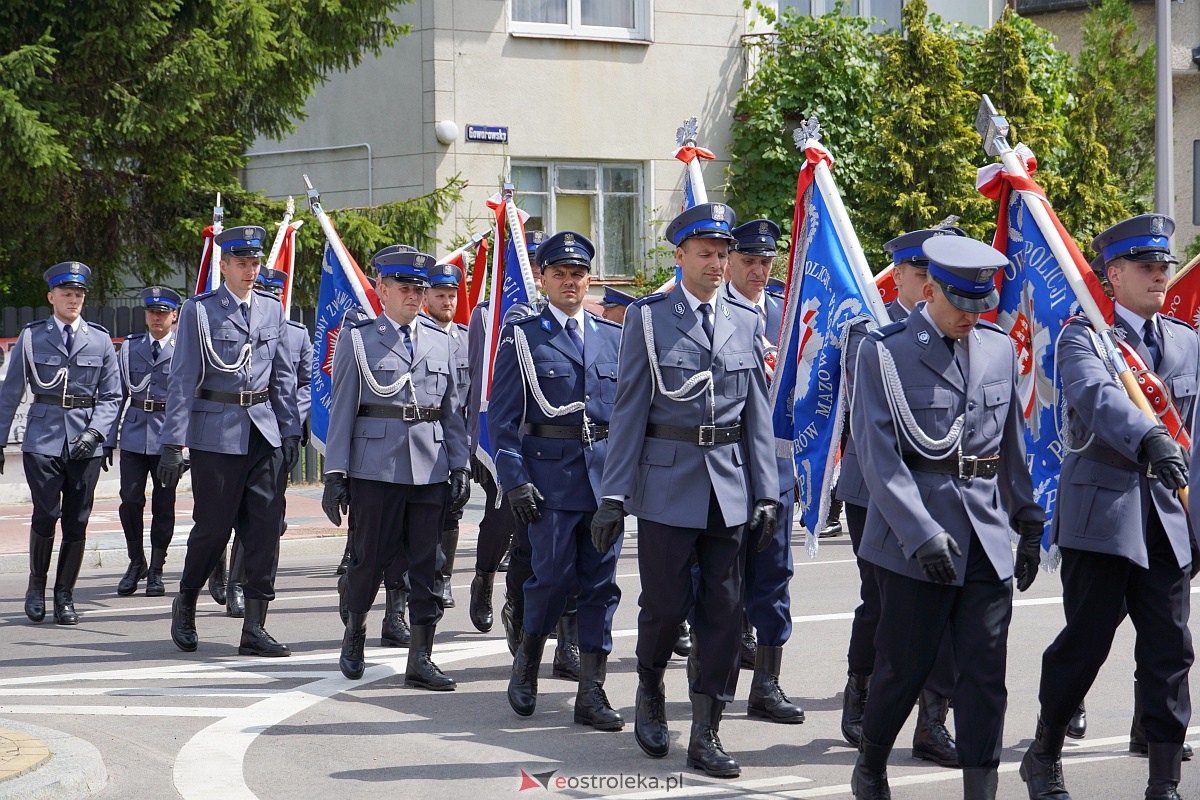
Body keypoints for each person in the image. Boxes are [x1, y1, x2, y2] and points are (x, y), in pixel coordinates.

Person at [849, 235, 1045, 800]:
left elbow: (1009, 445)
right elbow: (879, 457)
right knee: (903, 668)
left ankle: (981, 788)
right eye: (961, 303)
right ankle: (871, 766)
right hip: (915, 539)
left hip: (985, 536)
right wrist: (920, 533)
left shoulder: (997, 348)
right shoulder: (884, 352)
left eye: (981, 304)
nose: (971, 315)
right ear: (930, 290)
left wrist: (1027, 517)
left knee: (984, 676)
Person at [591, 202, 778, 778]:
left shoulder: (745, 319)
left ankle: (706, 727)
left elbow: (757, 414)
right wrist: (613, 496)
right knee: (666, 606)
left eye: (723, 254)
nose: (717, 264)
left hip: (729, 485)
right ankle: (650, 687)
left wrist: (766, 492)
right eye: (705, 254)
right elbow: (629, 410)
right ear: (680, 256)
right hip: (667, 482)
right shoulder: (649, 319)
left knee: (724, 611)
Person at [1020, 214, 1197, 800]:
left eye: (1164, 266)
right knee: (1087, 642)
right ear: (1113, 275)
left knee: (1170, 650)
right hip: (1104, 513)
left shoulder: (1185, 340)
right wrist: (1150, 437)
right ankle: (1044, 753)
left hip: (1168, 516)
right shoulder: (1084, 336)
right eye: (1146, 267)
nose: (1160, 276)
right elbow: (1097, 399)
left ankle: (1163, 781)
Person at [837, 228, 963, 767]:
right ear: (900, 277)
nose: (933, 284)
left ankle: (933, 721)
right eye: (922, 273)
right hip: (876, 491)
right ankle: (862, 689)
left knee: (947, 607)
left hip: (946, 491)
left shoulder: (966, 334)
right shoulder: (871, 334)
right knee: (884, 604)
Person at [488, 231, 624, 730]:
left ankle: (591, 688)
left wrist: (624, 484)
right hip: (548, 481)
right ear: (543, 279)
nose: (570, 282)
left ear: (590, 280)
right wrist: (514, 479)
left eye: (578, 274)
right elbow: (502, 420)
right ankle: (527, 661)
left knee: (601, 586)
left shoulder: (612, 336)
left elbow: (626, 418)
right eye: (560, 274)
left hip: (602, 482)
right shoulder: (524, 337)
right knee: (550, 580)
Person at [323, 249, 471, 688]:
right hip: (376, 468)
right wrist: (335, 474)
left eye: (419, 289)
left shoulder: (441, 340)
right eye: (404, 288)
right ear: (382, 290)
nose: (414, 296)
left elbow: (452, 412)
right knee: (368, 560)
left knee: (428, 565)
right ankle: (355, 632)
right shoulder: (359, 339)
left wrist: (460, 465)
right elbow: (342, 411)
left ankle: (421, 658)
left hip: (429, 467)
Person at [158, 225, 301, 657]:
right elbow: (183, 378)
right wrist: (173, 443)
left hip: (263, 432)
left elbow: (283, 377)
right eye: (242, 263)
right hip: (216, 434)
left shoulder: (272, 309)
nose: (250, 270)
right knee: (213, 529)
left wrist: (290, 431)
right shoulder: (200, 311)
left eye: (255, 263)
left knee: (265, 531)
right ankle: (186, 600)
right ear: (224, 266)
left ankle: (255, 627)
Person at [0, 262, 122, 625]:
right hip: (44, 437)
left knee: (77, 520)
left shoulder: (99, 339)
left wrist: (96, 433)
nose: (73, 300)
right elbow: (10, 393)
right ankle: (36, 587)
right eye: (67, 294)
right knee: (46, 513)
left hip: (86, 439)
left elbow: (112, 396)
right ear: (51, 297)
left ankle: (64, 595)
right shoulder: (32, 337)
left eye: (79, 294)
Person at [723, 217, 803, 724]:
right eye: (749, 260)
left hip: (776, 469)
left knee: (774, 576)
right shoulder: (714, 314)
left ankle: (766, 685)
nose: (758, 270)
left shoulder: (787, 315)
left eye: (766, 262)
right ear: (729, 261)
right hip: (724, 469)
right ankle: (714, 681)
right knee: (719, 579)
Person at [213, 267, 313, 619]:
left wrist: (291, 421)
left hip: (276, 433)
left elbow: (305, 384)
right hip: (236, 430)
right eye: (265, 290)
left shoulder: (297, 334)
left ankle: (242, 585)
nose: (270, 297)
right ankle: (219, 571)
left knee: (265, 517)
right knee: (224, 512)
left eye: (276, 292)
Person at [116, 286, 182, 597]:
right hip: (134, 434)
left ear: (174, 316)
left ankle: (156, 569)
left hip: (168, 436)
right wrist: (107, 440)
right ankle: (136, 561)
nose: (157, 317)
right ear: (145, 315)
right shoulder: (130, 347)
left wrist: (184, 443)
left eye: (162, 312)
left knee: (164, 504)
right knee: (130, 500)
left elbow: (190, 398)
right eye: (152, 312)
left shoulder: (184, 348)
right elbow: (117, 395)